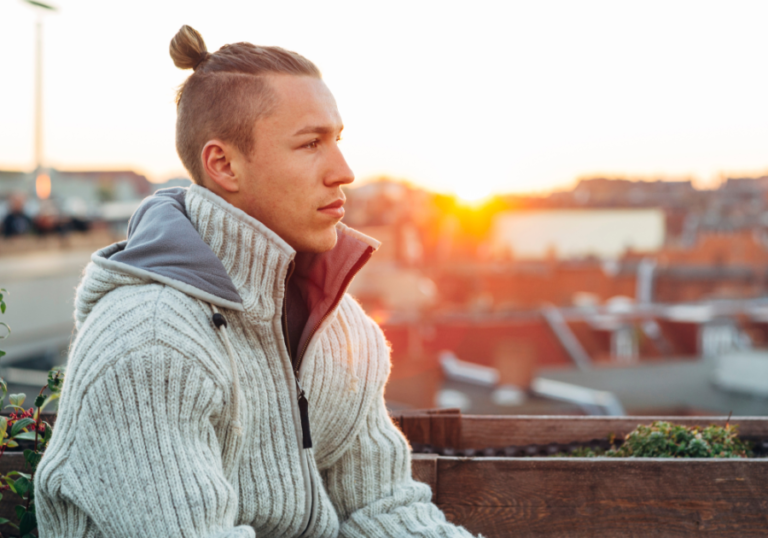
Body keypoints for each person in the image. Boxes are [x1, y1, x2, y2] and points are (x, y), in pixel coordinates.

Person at [36, 25, 478, 538]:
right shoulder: (151, 345)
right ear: (223, 165)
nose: (344, 171)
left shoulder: (339, 328)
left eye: (336, 139)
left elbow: (383, 507)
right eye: (310, 143)